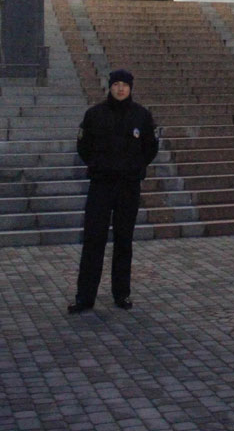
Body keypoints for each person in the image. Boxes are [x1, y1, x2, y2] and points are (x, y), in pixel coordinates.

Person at [69, 69, 159, 313]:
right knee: (93, 241)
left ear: (131, 88)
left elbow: (151, 148)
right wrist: (98, 166)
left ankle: (122, 294)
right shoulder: (95, 114)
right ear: (110, 86)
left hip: (128, 187)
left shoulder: (141, 116)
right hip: (101, 185)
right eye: (116, 84)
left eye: (125, 85)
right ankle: (85, 297)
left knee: (123, 241)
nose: (120, 89)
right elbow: (83, 147)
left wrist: (134, 168)